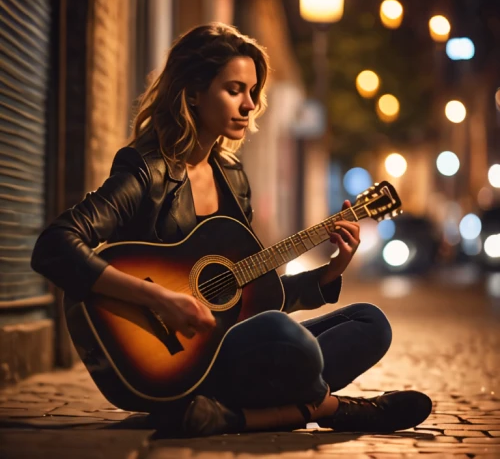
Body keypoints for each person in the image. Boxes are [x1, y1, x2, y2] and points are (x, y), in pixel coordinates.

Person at [31, 22, 432, 437]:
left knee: (370, 322)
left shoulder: (233, 177)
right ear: (193, 93)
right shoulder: (146, 170)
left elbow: (252, 298)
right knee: (286, 338)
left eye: (253, 92)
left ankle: (229, 416)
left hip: (231, 352)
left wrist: (331, 271)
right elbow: (55, 245)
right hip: (170, 365)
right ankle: (332, 409)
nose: (249, 105)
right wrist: (162, 299)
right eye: (234, 89)